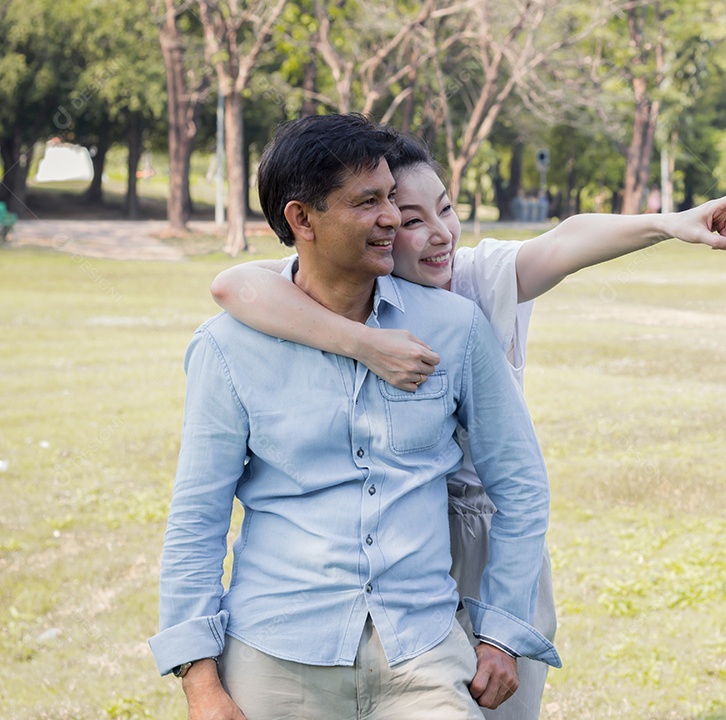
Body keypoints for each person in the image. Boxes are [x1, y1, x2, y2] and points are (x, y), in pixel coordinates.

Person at [211, 135, 726, 720]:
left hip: (488, 531)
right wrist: (366, 344)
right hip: (403, 541)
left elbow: (567, 237)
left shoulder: (475, 281)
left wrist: (668, 224)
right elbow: (233, 285)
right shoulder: (339, 288)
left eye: (445, 208)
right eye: (409, 219)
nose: (438, 232)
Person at [149, 113, 559, 720]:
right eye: (368, 203)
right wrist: (202, 684)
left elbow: (521, 486)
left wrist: (502, 632)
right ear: (301, 219)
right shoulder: (228, 349)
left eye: (391, 197)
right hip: (275, 654)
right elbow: (196, 519)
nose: (393, 217)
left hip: (423, 655)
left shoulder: (454, 328)